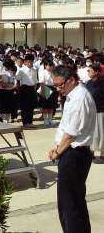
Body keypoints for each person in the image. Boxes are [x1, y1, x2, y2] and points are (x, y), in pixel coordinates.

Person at [49, 65, 96, 233]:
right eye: (55, 85)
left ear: (71, 80)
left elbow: (71, 134)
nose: (58, 89)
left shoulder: (80, 98)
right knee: (71, 202)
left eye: (60, 85)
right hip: (69, 152)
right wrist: (57, 147)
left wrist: (57, 152)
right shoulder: (73, 95)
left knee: (71, 205)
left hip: (74, 154)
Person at [85, 63, 104, 163]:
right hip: (91, 112)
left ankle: (102, 153)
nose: (88, 72)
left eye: (90, 70)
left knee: (101, 133)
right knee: (91, 133)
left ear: (96, 72)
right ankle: (91, 152)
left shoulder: (102, 83)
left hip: (101, 111)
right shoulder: (88, 83)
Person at [16, 54, 38, 128]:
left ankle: (30, 122)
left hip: (32, 88)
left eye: (31, 62)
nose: (30, 63)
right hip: (24, 88)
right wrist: (18, 90)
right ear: (25, 62)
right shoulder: (21, 70)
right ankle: (25, 123)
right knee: (24, 106)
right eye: (28, 62)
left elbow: (35, 81)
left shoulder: (34, 70)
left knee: (31, 106)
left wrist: (34, 89)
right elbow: (18, 80)